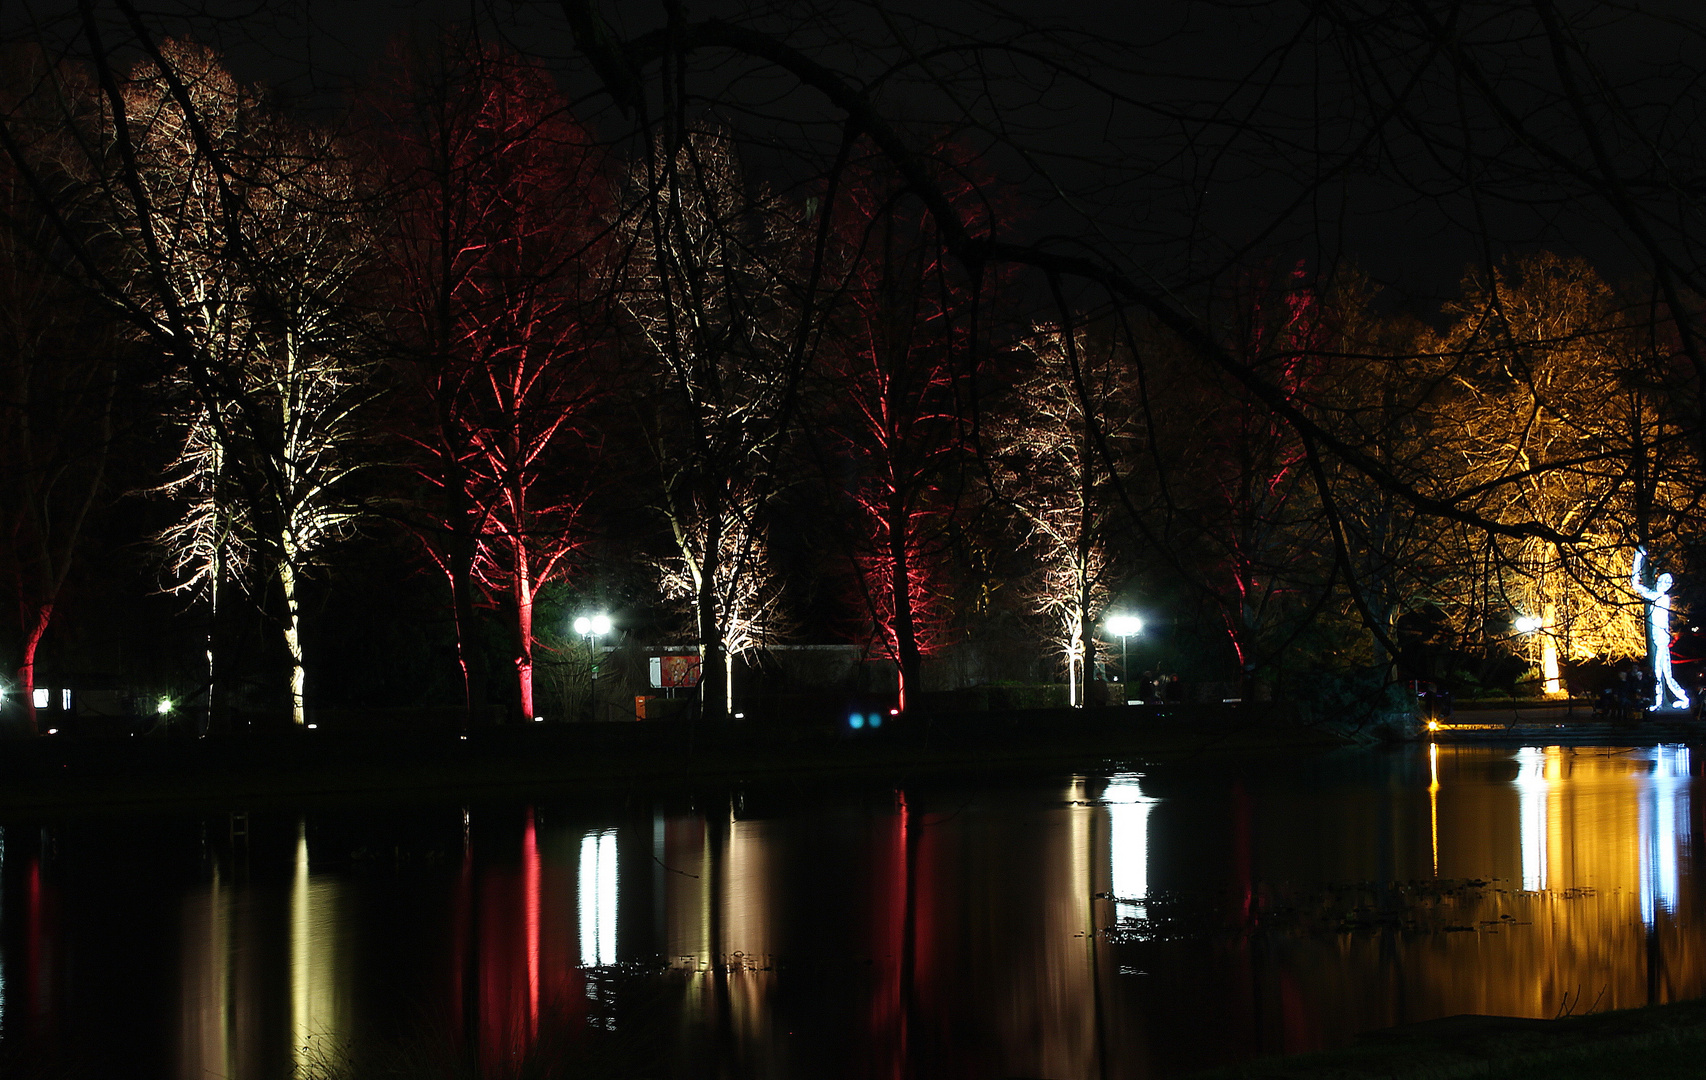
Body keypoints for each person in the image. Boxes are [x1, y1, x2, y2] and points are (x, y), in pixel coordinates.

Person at [1633, 548, 1690, 711]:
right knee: (1664, 673)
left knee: (1662, 673)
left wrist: (1639, 558)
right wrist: (1638, 559)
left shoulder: (1661, 598)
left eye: (1667, 582)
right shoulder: (1657, 596)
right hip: (1660, 639)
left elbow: (1637, 586)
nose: (1664, 584)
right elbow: (1635, 585)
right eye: (1662, 580)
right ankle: (1677, 699)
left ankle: (1665, 701)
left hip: (1661, 640)